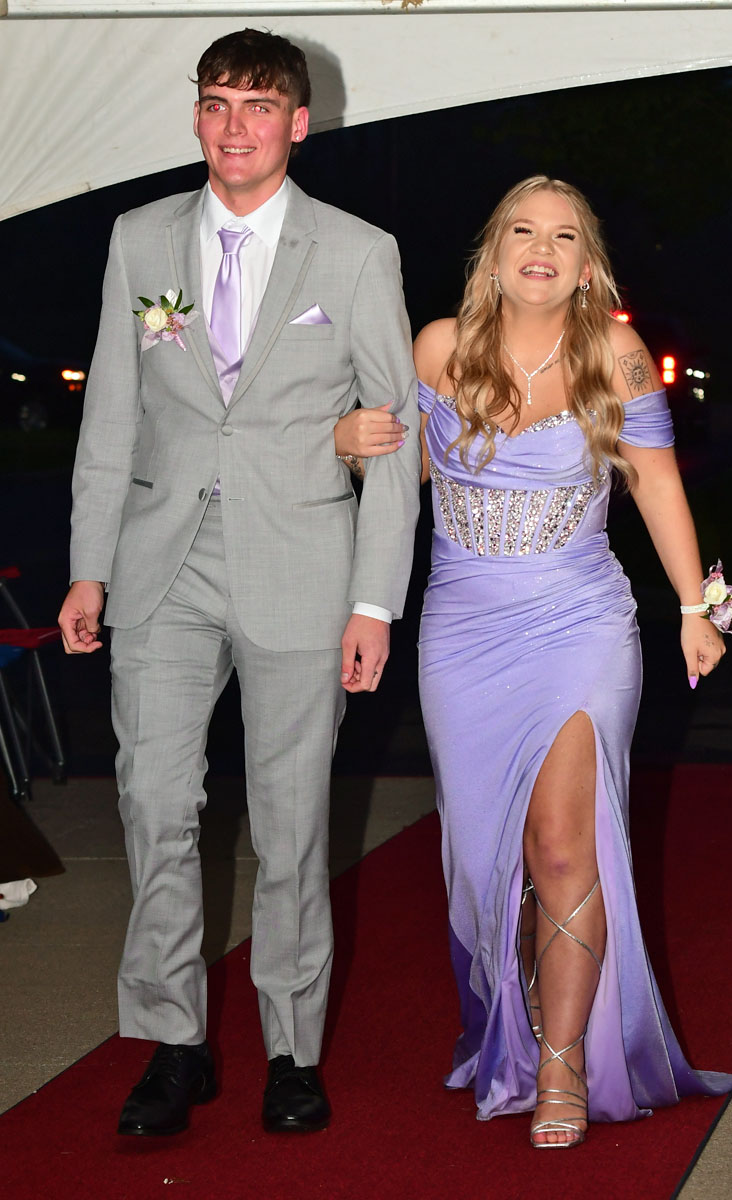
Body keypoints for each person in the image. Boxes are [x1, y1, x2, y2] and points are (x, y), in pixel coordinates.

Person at [334, 175, 732, 1147]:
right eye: (522, 229)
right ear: (491, 252)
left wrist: (695, 607)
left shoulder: (613, 351)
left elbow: (651, 481)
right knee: (494, 864)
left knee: (565, 846)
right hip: (462, 632)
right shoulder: (437, 346)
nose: (540, 246)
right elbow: (402, 473)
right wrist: (348, 443)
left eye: (562, 235)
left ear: (584, 262)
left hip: (580, 625)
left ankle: (561, 1064)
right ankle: (519, 1002)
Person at [57, 28, 420, 1137]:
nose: (232, 127)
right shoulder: (138, 239)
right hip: (160, 565)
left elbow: (391, 436)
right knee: (154, 804)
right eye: (215, 104)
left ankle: (291, 1050)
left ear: (297, 124)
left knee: (292, 821)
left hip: (302, 569)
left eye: (257, 108)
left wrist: (373, 601)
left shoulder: (357, 252)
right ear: (198, 115)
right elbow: (111, 412)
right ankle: (176, 1042)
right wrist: (87, 569)